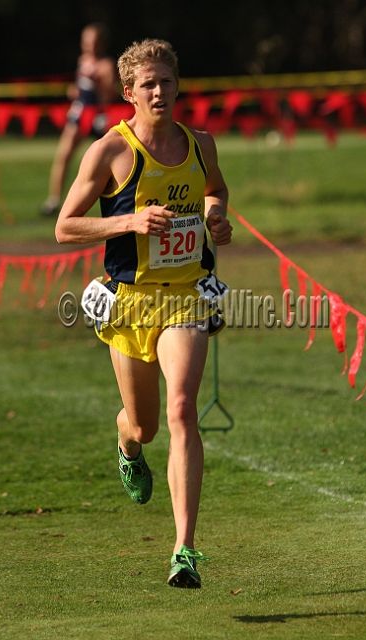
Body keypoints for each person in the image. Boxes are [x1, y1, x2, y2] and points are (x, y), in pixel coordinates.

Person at [55, 38, 232, 588]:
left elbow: (215, 189)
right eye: (147, 84)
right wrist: (126, 222)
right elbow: (64, 226)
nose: (159, 91)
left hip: (185, 295)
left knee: (182, 410)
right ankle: (127, 442)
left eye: (167, 81)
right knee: (147, 424)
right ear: (129, 92)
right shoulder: (110, 151)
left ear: (178, 86)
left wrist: (216, 216)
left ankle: (185, 550)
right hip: (129, 302)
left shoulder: (201, 144)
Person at [41, 22, 117, 216]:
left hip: (99, 116)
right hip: (79, 113)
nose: (90, 45)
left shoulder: (106, 65)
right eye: (87, 40)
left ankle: (115, 198)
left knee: (108, 158)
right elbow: (79, 89)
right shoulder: (82, 60)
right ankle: (54, 200)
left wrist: (97, 83)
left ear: (102, 43)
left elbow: (110, 95)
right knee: (63, 155)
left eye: (94, 41)